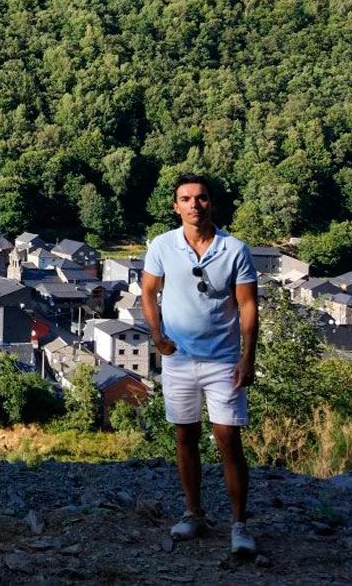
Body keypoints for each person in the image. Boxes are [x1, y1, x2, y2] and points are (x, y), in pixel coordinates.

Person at [141, 173, 259, 556]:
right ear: (176, 207)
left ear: (212, 204)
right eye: (186, 198)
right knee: (184, 437)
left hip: (223, 361)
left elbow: (247, 306)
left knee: (228, 439)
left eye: (202, 198)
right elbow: (148, 291)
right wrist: (156, 336)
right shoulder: (162, 245)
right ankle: (194, 513)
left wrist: (247, 357)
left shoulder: (234, 249)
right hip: (178, 361)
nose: (195, 204)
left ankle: (238, 524)